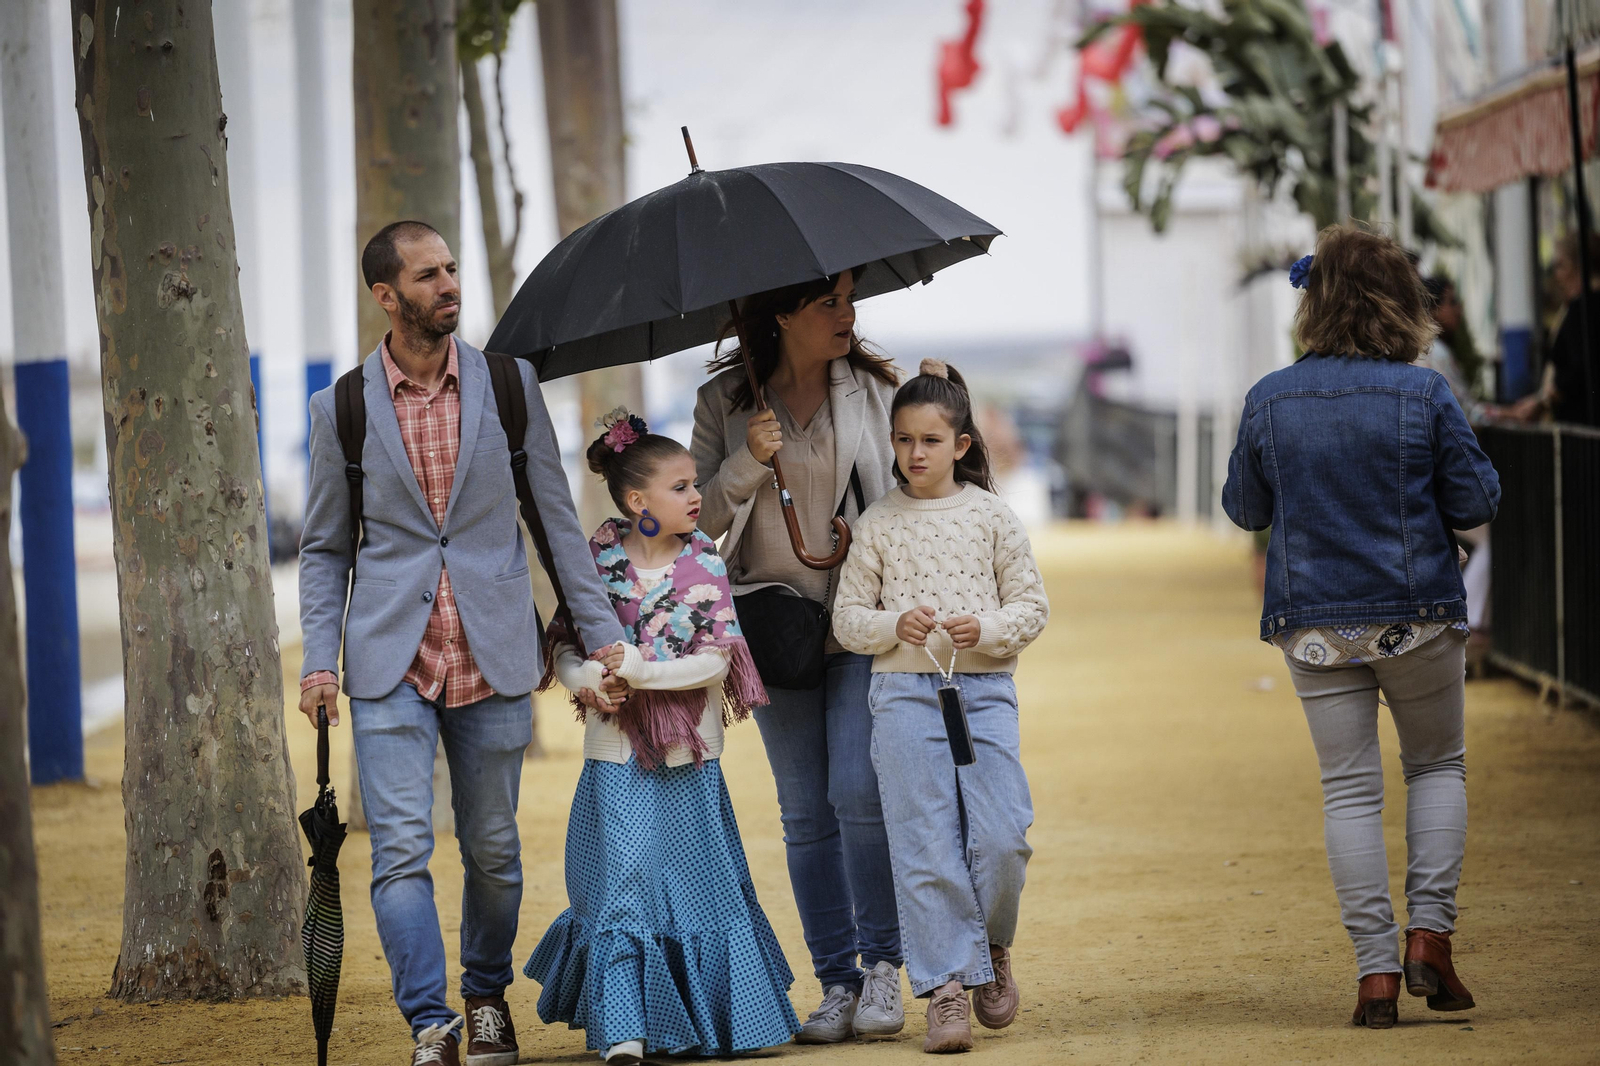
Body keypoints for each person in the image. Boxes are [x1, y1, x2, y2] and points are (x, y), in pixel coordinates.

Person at [298, 221, 628, 1066]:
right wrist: (319, 659)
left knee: (493, 848)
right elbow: (327, 547)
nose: (449, 284)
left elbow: (555, 521)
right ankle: (430, 1023)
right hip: (387, 661)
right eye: (428, 274)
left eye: (452, 269)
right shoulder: (339, 406)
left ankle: (484, 994)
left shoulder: (510, 386)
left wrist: (603, 638)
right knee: (402, 849)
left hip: (492, 652)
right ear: (386, 294)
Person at [1223, 226, 1501, 1029]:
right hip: (1417, 617)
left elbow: (1246, 508)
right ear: (1400, 302)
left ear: (1313, 304)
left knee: (1348, 790)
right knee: (1436, 767)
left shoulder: (1270, 397)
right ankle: (1430, 937)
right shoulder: (1425, 393)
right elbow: (1478, 503)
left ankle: (1375, 977)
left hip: (1313, 626)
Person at [526, 411, 802, 1064]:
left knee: (696, 883)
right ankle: (624, 1025)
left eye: (694, 483)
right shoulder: (596, 560)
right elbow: (564, 644)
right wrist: (591, 678)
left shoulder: (704, 560)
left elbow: (717, 659)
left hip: (689, 756)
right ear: (635, 501)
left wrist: (643, 671)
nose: (695, 496)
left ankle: (705, 1021)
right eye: (679, 487)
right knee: (623, 879)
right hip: (616, 753)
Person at [690, 268, 907, 1042]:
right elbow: (701, 518)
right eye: (830, 303)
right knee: (804, 812)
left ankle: (884, 966)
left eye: (850, 300)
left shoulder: (876, 391)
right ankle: (838, 981)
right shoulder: (724, 402)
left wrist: (870, 538)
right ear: (784, 315)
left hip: (856, 620)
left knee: (856, 790)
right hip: (769, 625)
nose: (849, 314)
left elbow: (908, 492)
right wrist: (747, 458)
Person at [834, 359, 1049, 1055]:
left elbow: (1032, 605)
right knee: (922, 842)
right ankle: (947, 987)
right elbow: (846, 618)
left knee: (1004, 835)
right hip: (900, 694)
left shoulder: (992, 515)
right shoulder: (877, 524)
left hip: (982, 693)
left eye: (930, 441)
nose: (914, 454)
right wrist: (894, 625)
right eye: (903, 441)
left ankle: (990, 944)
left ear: (961, 444)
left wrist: (983, 630)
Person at [1508, 231, 1600, 426]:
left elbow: (1578, 369)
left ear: (1579, 265)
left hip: (1581, 427)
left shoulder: (1581, 310)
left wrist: (1543, 400)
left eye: (1561, 265)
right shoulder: (1574, 308)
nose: (1557, 275)